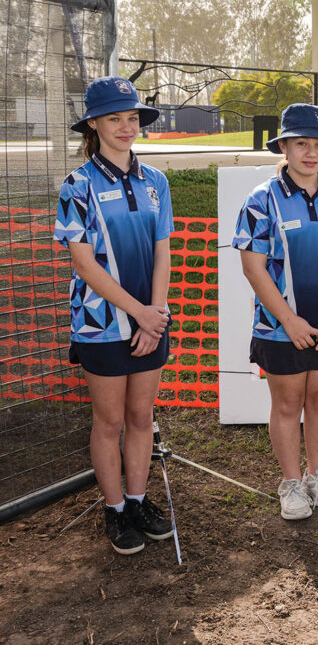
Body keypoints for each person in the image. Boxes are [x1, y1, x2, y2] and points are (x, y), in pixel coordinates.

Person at [54, 76, 174, 554]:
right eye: (114, 119)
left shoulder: (156, 182)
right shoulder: (76, 184)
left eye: (131, 118)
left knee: (141, 416)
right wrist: (139, 314)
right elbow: (84, 263)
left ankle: (138, 499)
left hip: (152, 319)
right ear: (94, 125)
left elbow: (163, 251)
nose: (125, 127)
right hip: (101, 324)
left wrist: (156, 313)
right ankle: (114, 510)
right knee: (109, 421)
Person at [232, 103, 318, 520]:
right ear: (285, 148)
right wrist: (289, 320)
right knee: (288, 405)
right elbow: (252, 266)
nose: (311, 152)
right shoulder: (261, 200)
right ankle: (291, 482)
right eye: (301, 144)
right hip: (280, 328)